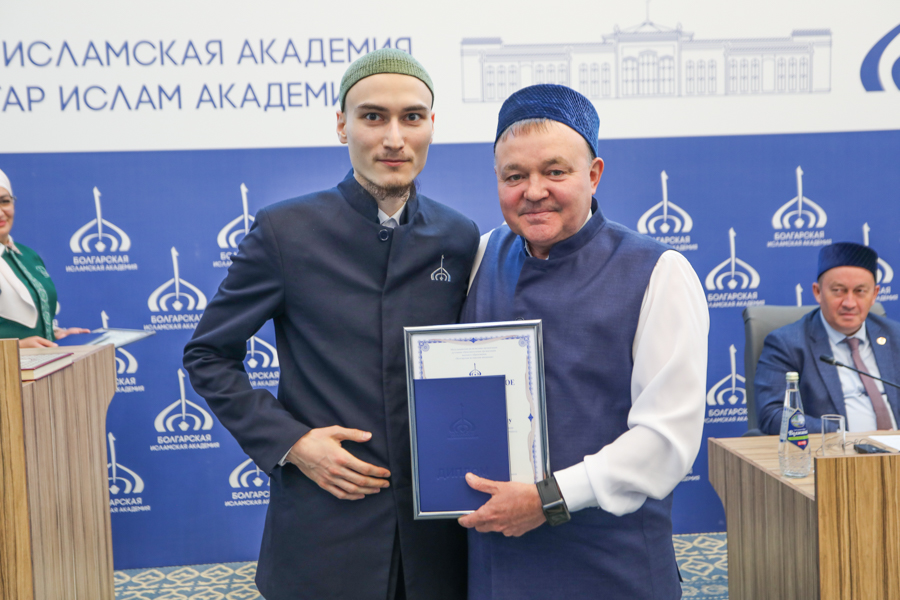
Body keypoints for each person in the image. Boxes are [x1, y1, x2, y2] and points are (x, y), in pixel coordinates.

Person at [183, 48, 479, 600]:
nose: (394, 138)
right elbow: (207, 354)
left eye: (412, 117)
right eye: (373, 117)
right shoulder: (284, 232)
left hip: (437, 538)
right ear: (342, 125)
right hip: (324, 530)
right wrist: (293, 442)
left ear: (431, 126)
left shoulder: (460, 237)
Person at [458, 84, 708, 599]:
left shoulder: (658, 272)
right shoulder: (480, 257)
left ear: (593, 175)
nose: (533, 191)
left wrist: (548, 498)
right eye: (514, 176)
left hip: (610, 565)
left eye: (555, 171)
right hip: (497, 564)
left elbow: (666, 443)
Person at [755, 242, 900, 434]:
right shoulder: (787, 343)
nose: (849, 303)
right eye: (839, 290)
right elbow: (772, 415)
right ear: (818, 292)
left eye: (860, 291)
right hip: (835, 450)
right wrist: (842, 437)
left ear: (874, 294)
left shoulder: (895, 336)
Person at [0, 168, 89, 347]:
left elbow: (26, 323)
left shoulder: (27, 255)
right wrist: (18, 347)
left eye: (5, 201)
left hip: (40, 363)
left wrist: (55, 334)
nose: (1, 213)